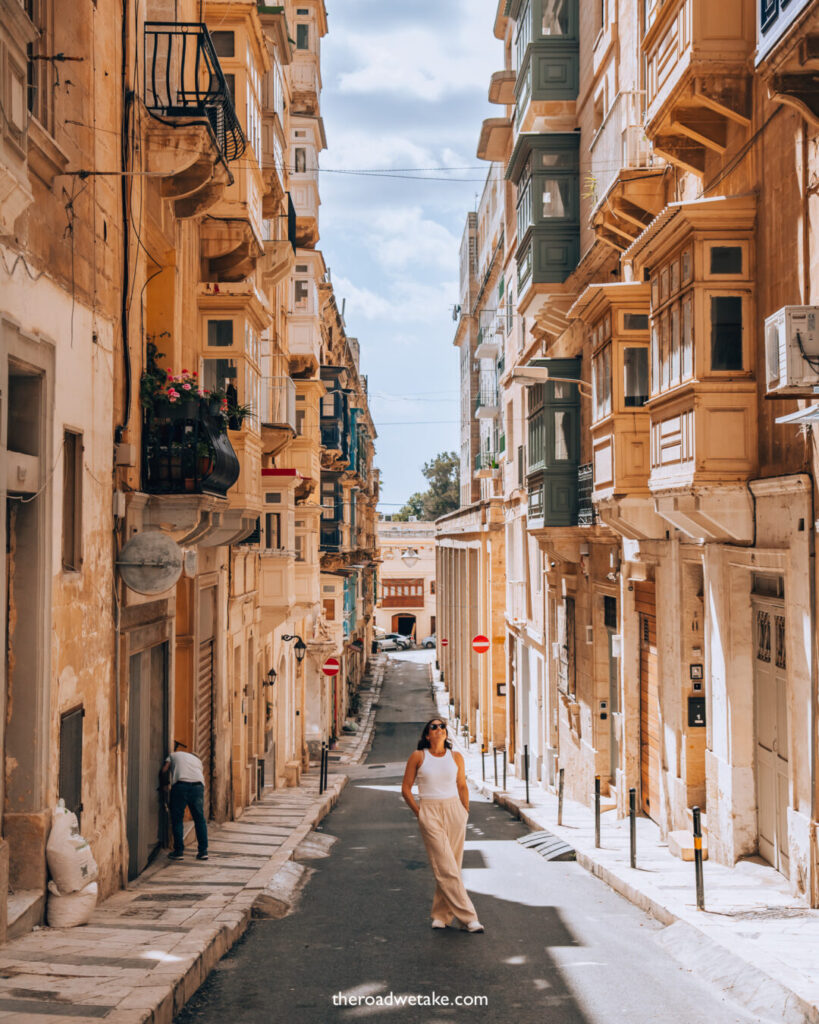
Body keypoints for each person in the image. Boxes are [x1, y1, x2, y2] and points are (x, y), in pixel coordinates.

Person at [401, 718, 484, 932]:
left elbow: (462, 785)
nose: (439, 729)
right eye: (434, 727)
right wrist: (419, 813)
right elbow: (406, 788)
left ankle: (441, 914)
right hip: (429, 810)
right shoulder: (418, 756)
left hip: (454, 809)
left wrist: (465, 810)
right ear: (427, 735)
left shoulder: (455, 757)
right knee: (444, 863)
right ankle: (469, 917)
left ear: (446, 733)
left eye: (442, 727)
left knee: (452, 865)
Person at [161, 743, 208, 861]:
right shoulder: (198, 762)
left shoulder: (173, 755)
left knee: (177, 819)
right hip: (198, 787)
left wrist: (164, 785)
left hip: (181, 786)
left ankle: (179, 851)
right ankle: (203, 852)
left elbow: (164, 769)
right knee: (199, 819)